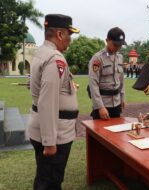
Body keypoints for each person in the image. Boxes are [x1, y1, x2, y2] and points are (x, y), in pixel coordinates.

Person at [27, 14, 80, 190]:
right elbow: (47, 101)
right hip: (55, 133)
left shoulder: (41, 52)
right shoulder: (55, 59)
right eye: (69, 35)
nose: (70, 40)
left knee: (46, 177)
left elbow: (41, 87)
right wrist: (49, 141)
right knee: (49, 181)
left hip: (46, 128)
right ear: (59, 34)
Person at [88, 27, 126, 120]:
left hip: (116, 104)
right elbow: (93, 84)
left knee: (116, 133)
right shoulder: (97, 59)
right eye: (115, 44)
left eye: (120, 45)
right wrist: (100, 107)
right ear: (107, 40)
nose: (118, 48)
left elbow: (121, 80)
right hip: (103, 105)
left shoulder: (120, 57)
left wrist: (122, 98)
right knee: (99, 133)